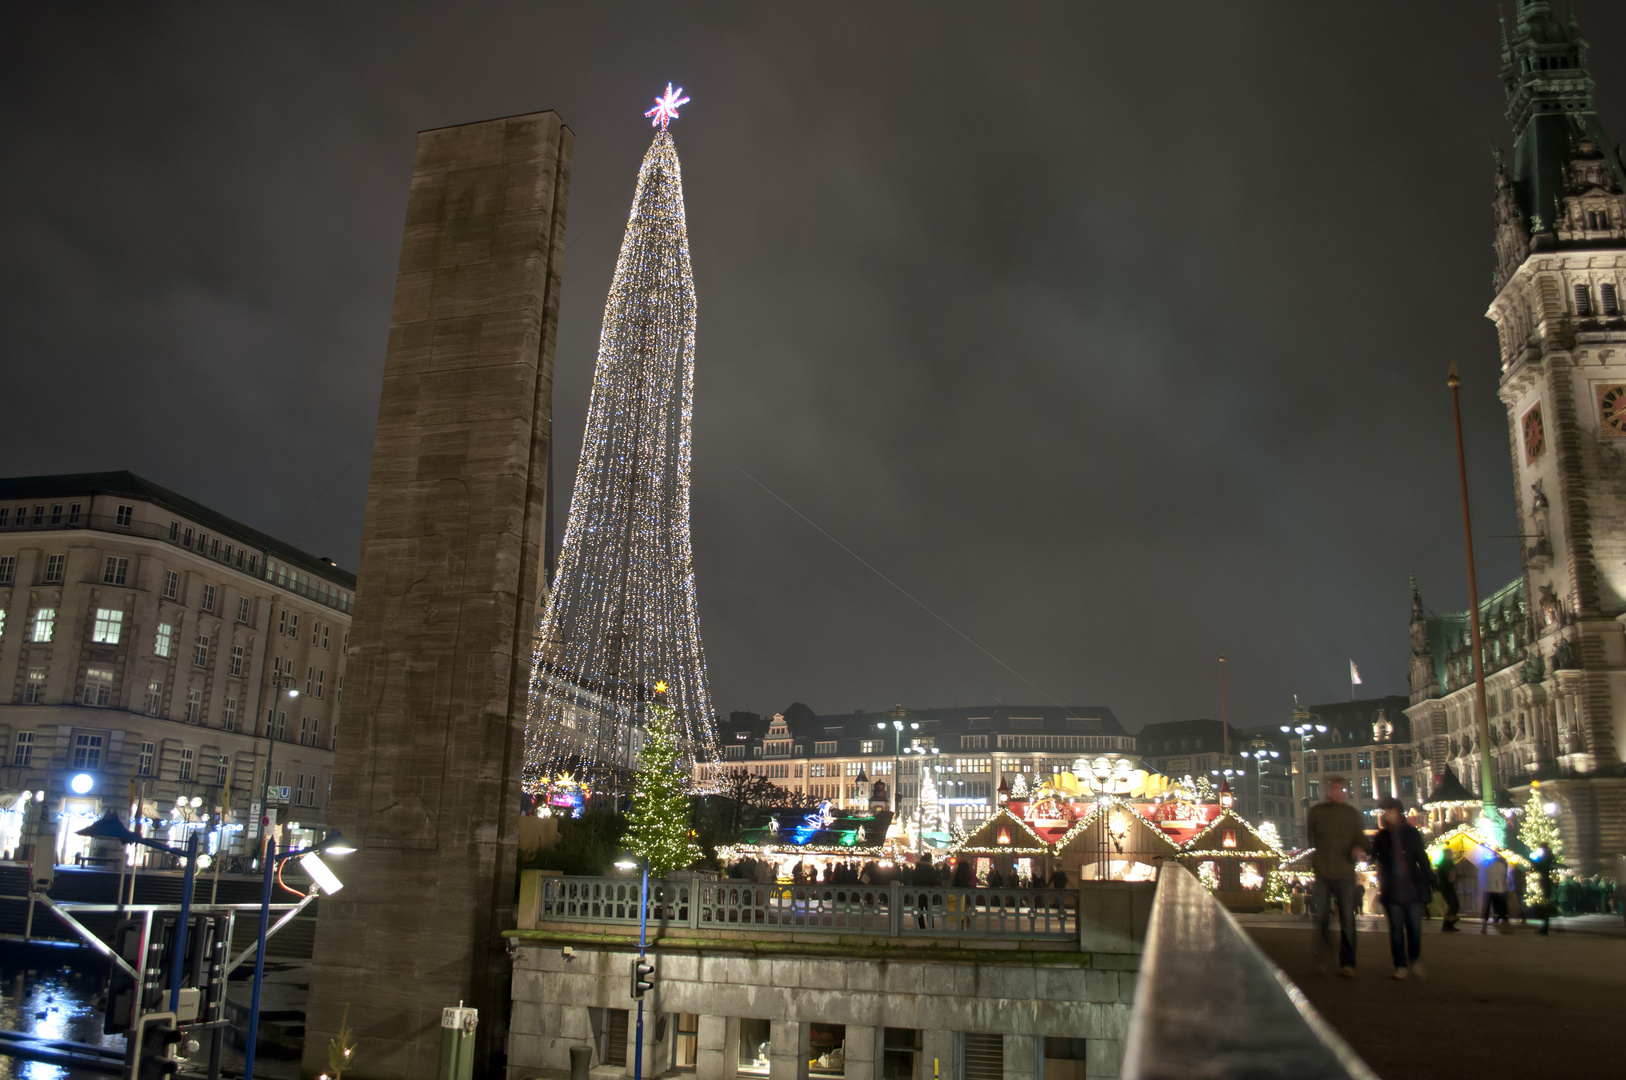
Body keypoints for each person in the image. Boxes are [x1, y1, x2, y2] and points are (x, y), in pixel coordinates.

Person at [1306, 775, 1371, 976]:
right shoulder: (1317, 812)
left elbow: (1362, 841)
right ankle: (1324, 956)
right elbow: (1311, 839)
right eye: (1331, 788)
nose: (1334, 792)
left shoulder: (1352, 815)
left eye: (1339, 788)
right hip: (1324, 871)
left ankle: (1348, 962)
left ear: (1346, 792)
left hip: (1344, 873)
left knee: (1347, 920)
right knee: (1322, 917)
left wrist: (1360, 850)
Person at [1370, 796, 1431, 979]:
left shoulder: (1412, 834)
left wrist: (1430, 879)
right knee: (1396, 929)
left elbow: (1422, 858)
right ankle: (1400, 966)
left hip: (1411, 887)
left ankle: (1414, 960)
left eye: (1390, 811)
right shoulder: (1381, 836)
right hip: (1392, 889)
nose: (1387, 815)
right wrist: (1361, 854)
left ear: (1398, 811)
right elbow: (1372, 857)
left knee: (1414, 927)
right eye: (1385, 811)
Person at [1482, 854, 1510, 931]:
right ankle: (1504, 926)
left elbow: (1487, 873)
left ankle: (1484, 927)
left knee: (1487, 907)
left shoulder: (1490, 865)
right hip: (1500, 889)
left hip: (1489, 888)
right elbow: (1504, 877)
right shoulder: (1503, 866)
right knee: (1501, 908)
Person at [1435, 852, 1461, 931]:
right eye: (1450, 854)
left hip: (1449, 886)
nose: (1451, 855)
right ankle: (1447, 925)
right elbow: (1442, 875)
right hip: (1446, 887)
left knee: (1455, 905)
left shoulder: (1450, 864)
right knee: (1453, 905)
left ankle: (1449, 924)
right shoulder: (1444, 864)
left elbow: (1454, 874)